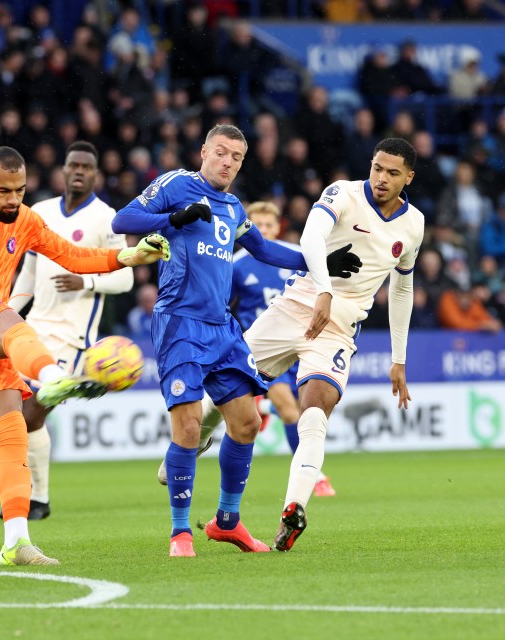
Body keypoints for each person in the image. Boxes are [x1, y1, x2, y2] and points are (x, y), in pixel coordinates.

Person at [0, 146, 169, 566]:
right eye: (3, 191)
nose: (12, 199)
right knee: (12, 323)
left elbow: (73, 256)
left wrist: (129, 256)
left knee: (12, 434)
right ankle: (53, 375)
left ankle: (16, 543)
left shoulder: (24, 220)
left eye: (20, 190)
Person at [111, 124, 360, 557]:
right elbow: (123, 220)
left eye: (236, 158)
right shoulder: (176, 184)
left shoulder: (231, 206)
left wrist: (320, 260)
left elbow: (264, 250)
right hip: (179, 323)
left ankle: (226, 522)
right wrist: (173, 219)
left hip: (223, 329)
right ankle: (179, 533)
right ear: (204, 151)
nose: (227, 162)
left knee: (246, 423)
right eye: (221, 153)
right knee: (189, 427)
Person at [227, 138, 424, 552]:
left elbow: (402, 289)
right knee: (223, 391)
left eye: (392, 172)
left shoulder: (413, 225)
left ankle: (293, 509)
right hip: (295, 305)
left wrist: (398, 358)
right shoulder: (342, 193)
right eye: (376, 168)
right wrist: (323, 289)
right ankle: (186, 449)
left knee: (314, 412)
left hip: (337, 328)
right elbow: (311, 238)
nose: (381, 178)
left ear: (409, 177)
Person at [154, 201, 338, 497]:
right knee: (288, 410)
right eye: (258, 225)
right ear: (246, 228)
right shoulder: (236, 263)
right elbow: (221, 305)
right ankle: (313, 477)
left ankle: (199, 438)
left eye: (268, 225)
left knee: (308, 410)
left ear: (277, 227)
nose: (263, 230)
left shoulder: (293, 257)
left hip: (301, 343)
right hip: (261, 346)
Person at [4, 142, 133, 521]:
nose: (78, 171)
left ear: (96, 175)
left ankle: (36, 498)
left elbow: (125, 277)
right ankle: (37, 500)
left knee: (30, 413)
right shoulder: (39, 213)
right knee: (19, 415)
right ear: (62, 169)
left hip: (75, 338)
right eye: (73, 164)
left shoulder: (106, 218)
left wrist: (87, 283)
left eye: (86, 167)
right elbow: (26, 277)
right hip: (32, 331)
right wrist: (7, 313)